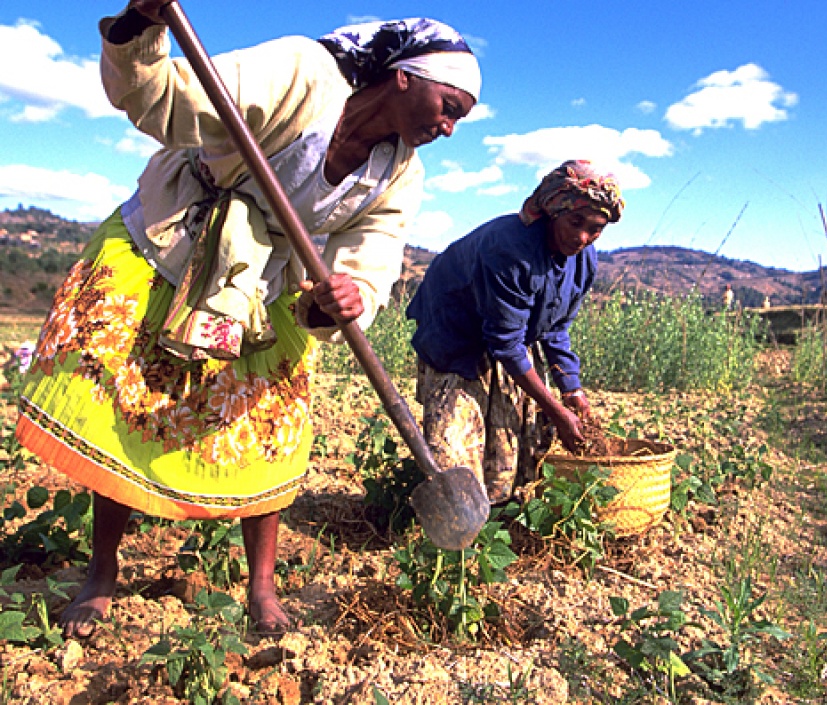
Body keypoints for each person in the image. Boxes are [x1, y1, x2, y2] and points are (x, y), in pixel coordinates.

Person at [15, 0, 480, 638]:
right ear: (405, 76)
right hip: (173, 245)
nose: (450, 127)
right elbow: (169, 103)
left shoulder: (401, 173)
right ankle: (101, 573)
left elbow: (372, 255)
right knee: (130, 408)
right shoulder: (305, 73)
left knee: (272, 429)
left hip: (264, 287)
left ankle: (261, 588)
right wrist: (137, 30)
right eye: (450, 108)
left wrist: (343, 299)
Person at [406, 160, 624, 504]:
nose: (583, 237)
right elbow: (506, 344)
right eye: (575, 222)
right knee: (456, 446)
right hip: (455, 334)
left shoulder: (584, 260)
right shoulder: (510, 250)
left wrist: (573, 392)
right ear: (554, 212)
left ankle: (499, 515)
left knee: (508, 454)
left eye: (596, 228)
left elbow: (555, 328)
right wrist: (555, 410)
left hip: (508, 339)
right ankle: (453, 528)